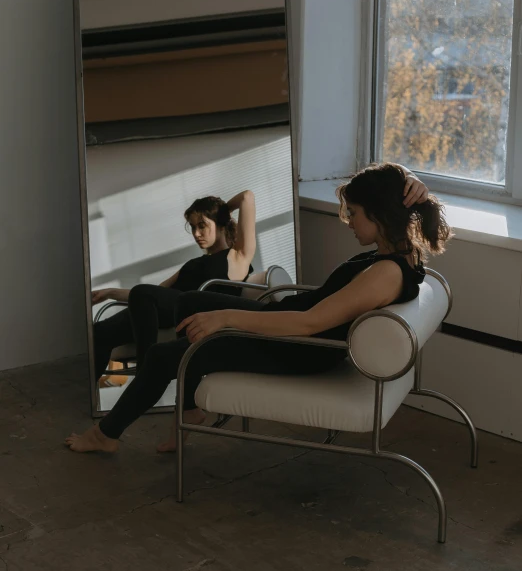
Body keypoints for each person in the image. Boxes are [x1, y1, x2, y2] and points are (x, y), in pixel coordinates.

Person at [66, 164, 449, 455]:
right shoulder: (396, 253)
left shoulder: (384, 273)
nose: (348, 221)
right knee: (189, 301)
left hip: (299, 346)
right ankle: (192, 405)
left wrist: (227, 319)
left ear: (379, 214)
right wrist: (411, 180)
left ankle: (106, 435)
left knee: (165, 356)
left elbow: (310, 323)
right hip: (291, 325)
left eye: (354, 213)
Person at [91, 191, 256, 383]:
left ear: (220, 224)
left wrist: (221, 212)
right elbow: (152, 293)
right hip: (156, 311)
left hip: (188, 312)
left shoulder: (237, 257)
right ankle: (86, 396)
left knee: (142, 294)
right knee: (98, 332)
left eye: (202, 225)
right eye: (193, 227)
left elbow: (247, 197)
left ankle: (147, 373)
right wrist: (110, 292)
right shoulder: (193, 264)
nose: (196, 234)